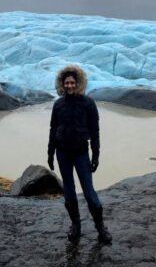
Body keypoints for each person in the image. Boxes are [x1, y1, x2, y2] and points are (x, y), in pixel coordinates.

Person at [47, 65, 112, 244]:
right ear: (62, 83)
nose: (69, 86)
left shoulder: (88, 103)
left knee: (89, 192)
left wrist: (96, 155)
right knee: (68, 191)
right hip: (62, 153)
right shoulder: (58, 104)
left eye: (72, 82)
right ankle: (76, 226)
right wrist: (50, 153)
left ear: (78, 83)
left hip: (81, 153)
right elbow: (53, 129)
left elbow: (95, 130)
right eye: (66, 83)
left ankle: (101, 228)